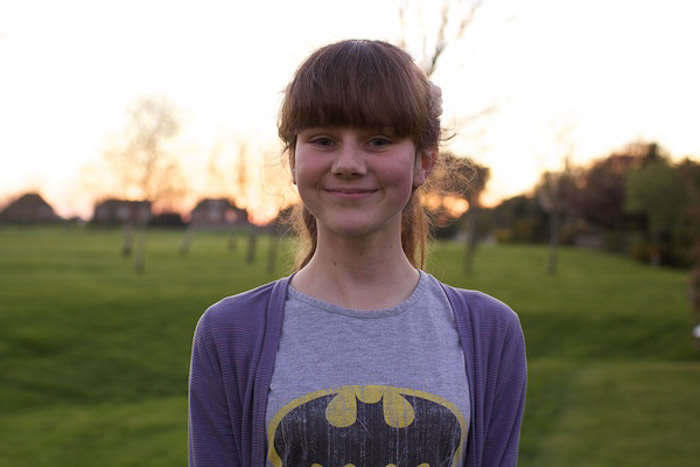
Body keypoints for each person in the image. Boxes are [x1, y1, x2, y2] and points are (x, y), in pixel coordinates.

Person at [188, 39, 527, 467]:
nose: (348, 162)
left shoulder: (490, 333)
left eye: (379, 140)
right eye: (324, 140)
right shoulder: (229, 332)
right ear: (293, 160)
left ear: (423, 161)